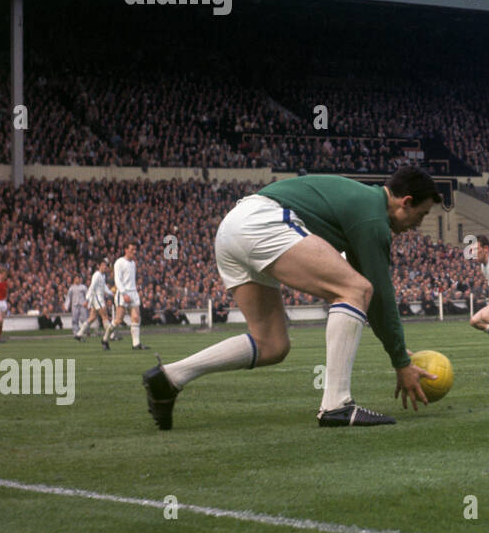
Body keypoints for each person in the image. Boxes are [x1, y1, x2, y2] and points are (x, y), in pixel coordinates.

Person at [141, 166, 441, 429]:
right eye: (421, 214)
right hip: (262, 222)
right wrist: (401, 362)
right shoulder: (373, 218)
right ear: (406, 202)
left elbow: (372, 299)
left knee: (271, 345)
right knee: (354, 289)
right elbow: (378, 294)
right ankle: (336, 405)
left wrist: (398, 353)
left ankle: (169, 377)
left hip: (233, 228)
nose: (417, 224)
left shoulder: (364, 206)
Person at [107, 244, 144, 351]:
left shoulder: (133, 263)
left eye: (135, 249)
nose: (134, 252)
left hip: (133, 293)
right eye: (132, 249)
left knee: (136, 318)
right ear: (126, 250)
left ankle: (136, 344)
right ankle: (105, 338)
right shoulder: (119, 262)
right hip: (123, 294)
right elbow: (117, 280)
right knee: (118, 320)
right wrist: (124, 293)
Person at [77, 259, 113, 344]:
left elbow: (104, 288)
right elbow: (92, 287)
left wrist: (112, 293)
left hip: (98, 299)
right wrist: (87, 299)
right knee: (105, 317)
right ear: (99, 266)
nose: (105, 267)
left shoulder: (103, 275)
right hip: (97, 299)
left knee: (92, 318)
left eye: (106, 265)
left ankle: (79, 334)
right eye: (103, 265)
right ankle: (109, 337)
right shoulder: (96, 275)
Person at [66, 275, 89, 341]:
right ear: (74, 280)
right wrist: (66, 306)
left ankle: (87, 331)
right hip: (74, 306)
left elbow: (87, 295)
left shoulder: (83, 287)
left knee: (85, 319)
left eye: (78, 278)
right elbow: (68, 297)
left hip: (82, 305)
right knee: (74, 320)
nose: (77, 280)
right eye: (75, 278)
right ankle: (76, 333)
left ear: (80, 279)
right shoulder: (71, 288)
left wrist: (87, 303)